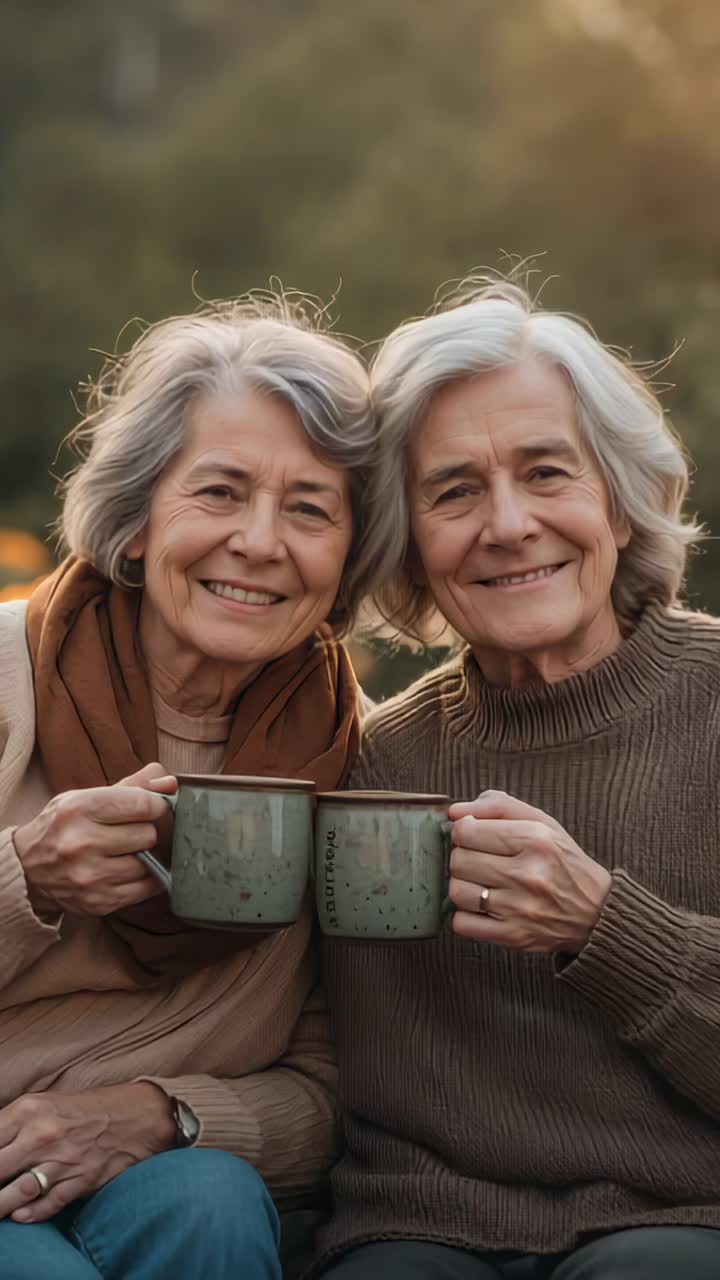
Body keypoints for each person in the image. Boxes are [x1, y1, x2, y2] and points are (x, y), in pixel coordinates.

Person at [313, 279, 720, 1279]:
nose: (507, 523)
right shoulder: (374, 760)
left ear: (620, 505)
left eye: (546, 472)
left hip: (685, 1215)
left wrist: (602, 923)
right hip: (417, 1226)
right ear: (406, 544)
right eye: (454, 490)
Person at [0, 293, 384, 1280]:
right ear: (135, 521)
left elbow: (341, 1087)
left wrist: (165, 1114)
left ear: (346, 559)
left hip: (144, 1169)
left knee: (210, 1200)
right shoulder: (6, 672)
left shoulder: (357, 764)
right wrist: (25, 876)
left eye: (309, 507)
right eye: (219, 491)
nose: (260, 541)